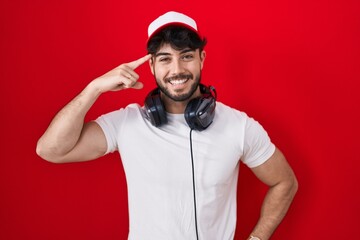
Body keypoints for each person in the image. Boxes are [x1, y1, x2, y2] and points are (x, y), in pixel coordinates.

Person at [36, 11, 298, 240]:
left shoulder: (239, 126)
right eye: (164, 59)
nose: (177, 69)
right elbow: (50, 150)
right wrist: (94, 88)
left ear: (202, 59)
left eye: (186, 56)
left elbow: (285, 182)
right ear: (151, 65)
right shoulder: (127, 123)